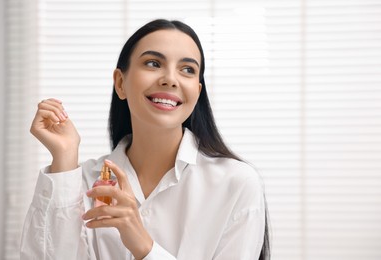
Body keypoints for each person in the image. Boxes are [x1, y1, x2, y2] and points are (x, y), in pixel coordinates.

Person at [20, 19, 270, 260]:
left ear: (197, 91)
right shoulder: (81, 182)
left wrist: (144, 247)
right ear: (120, 83)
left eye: (187, 69)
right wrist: (64, 158)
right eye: (153, 63)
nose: (170, 79)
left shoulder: (236, 184)